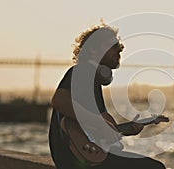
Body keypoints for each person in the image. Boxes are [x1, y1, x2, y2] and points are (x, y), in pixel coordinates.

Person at [48, 23, 166, 169]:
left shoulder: (91, 80)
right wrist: (98, 122)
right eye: (112, 46)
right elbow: (58, 100)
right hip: (76, 158)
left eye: (119, 47)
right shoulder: (82, 71)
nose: (119, 50)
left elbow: (90, 130)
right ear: (92, 50)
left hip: (77, 157)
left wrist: (122, 130)